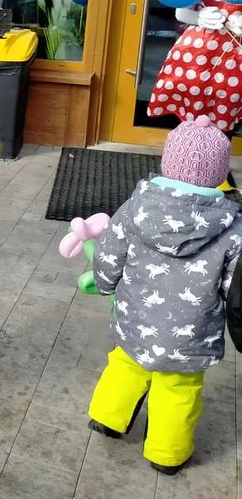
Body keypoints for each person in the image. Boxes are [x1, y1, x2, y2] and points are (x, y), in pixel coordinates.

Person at [85, 115, 240, 475]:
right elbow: (235, 286)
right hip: (192, 335)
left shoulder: (136, 208)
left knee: (125, 364)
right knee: (179, 389)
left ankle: (107, 418)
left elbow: (110, 253)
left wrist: (105, 283)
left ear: (168, 162)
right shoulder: (232, 228)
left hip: (137, 320)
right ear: (219, 173)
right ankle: (166, 455)